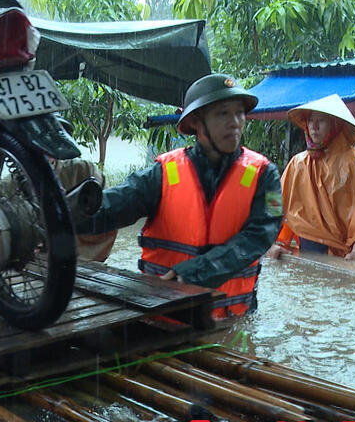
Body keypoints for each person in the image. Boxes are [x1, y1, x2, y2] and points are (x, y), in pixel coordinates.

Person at [77, 73, 283, 319]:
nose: (235, 122)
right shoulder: (163, 173)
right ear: (196, 121)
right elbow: (113, 206)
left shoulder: (264, 174)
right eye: (223, 114)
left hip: (232, 319)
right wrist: (62, 216)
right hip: (165, 316)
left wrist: (194, 273)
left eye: (239, 113)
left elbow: (261, 235)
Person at [265, 94, 355, 262]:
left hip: (342, 253)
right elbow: (274, 202)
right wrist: (271, 242)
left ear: (335, 125)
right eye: (310, 121)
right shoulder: (298, 163)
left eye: (321, 121)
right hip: (306, 247)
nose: (313, 127)